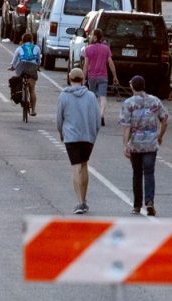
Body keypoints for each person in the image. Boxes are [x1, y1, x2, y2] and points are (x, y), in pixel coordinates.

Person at [119, 75, 168, 216]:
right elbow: (165, 120)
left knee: (137, 173)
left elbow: (126, 126)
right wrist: (160, 136)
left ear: (132, 86)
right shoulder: (155, 101)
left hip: (136, 143)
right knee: (149, 172)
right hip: (151, 143)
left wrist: (125, 144)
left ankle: (136, 205)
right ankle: (149, 202)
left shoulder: (128, 103)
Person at [55, 68, 100, 215]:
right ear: (83, 79)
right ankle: (84, 199)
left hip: (71, 136)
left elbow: (59, 117)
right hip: (87, 136)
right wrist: (94, 134)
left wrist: (61, 132)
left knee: (76, 167)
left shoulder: (64, 96)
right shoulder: (91, 96)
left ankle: (80, 202)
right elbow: (97, 118)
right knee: (84, 164)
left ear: (69, 78)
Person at [80, 29, 118, 126]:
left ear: (96, 37)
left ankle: (93, 116)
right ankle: (101, 115)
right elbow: (110, 63)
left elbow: (86, 65)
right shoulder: (106, 49)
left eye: (92, 35)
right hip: (103, 76)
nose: (91, 36)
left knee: (92, 97)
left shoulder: (88, 49)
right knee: (103, 97)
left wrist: (84, 78)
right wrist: (114, 76)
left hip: (92, 76)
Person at [7, 33, 40, 116]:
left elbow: (14, 61)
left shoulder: (19, 48)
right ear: (32, 40)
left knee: (19, 80)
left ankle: (21, 93)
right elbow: (38, 60)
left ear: (23, 40)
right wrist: (37, 66)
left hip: (21, 67)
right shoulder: (36, 48)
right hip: (32, 67)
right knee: (32, 90)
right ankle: (33, 110)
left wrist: (12, 67)